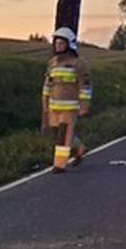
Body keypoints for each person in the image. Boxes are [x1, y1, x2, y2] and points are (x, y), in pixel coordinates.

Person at [41, 27, 92, 173]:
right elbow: (47, 84)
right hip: (54, 107)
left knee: (63, 134)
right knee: (56, 132)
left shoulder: (79, 63)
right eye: (56, 43)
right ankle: (79, 148)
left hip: (70, 107)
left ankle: (59, 164)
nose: (58, 46)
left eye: (61, 43)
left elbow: (85, 86)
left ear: (70, 44)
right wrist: (45, 104)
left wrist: (84, 105)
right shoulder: (52, 63)